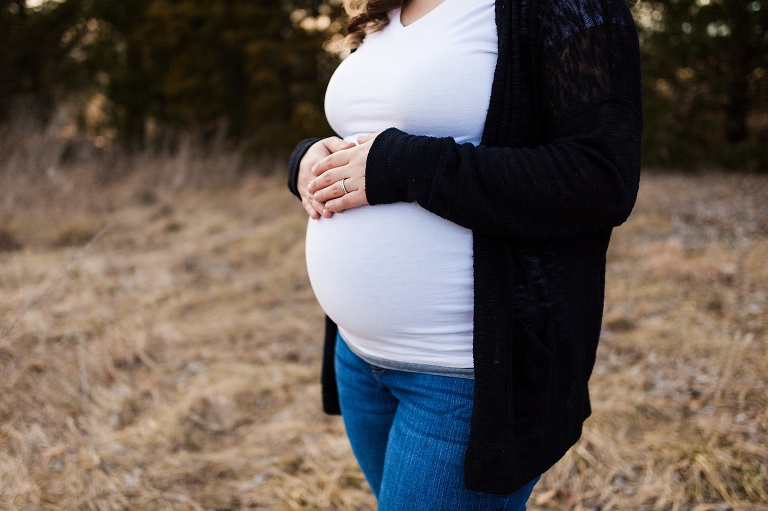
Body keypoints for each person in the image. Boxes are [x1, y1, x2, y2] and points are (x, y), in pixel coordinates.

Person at [287, 0, 642, 508]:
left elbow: (600, 177)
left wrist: (406, 165)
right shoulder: (381, 9)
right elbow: (369, 133)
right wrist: (307, 162)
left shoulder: (563, 6)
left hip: (463, 377)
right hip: (358, 359)